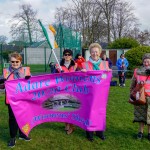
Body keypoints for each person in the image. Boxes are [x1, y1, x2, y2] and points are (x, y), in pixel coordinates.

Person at [0, 52, 31, 148]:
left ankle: (23, 134)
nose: (15, 63)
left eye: (17, 61)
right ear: (10, 62)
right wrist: (2, 82)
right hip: (11, 100)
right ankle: (12, 137)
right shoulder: (6, 72)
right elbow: (1, 87)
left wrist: (29, 80)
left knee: (24, 117)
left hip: (24, 99)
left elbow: (32, 84)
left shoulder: (26, 70)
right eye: (12, 61)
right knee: (13, 119)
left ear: (20, 61)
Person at [81, 43, 111, 142]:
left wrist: (108, 72)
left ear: (100, 52)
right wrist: (82, 72)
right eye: (93, 51)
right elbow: (80, 79)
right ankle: (89, 133)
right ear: (90, 52)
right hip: (89, 92)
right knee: (89, 112)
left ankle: (99, 131)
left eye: (96, 51)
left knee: (100, 112)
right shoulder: (84, 64)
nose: (95, 53)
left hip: (101, 93)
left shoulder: (105, 64)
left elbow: (106, 78)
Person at [55, 49, 77, 135]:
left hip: (73, 90)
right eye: (65, 54)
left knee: (71, 108)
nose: (67, 56)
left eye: (69, 54)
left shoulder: (75, 65)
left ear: (71, 56)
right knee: (64, 107)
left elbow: (80, 76)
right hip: (62, 89)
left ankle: (72, 126)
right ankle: (66, 123)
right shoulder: (58, 65)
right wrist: (56, 70)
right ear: (63, 56)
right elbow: (53, 78)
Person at [130, 53, 150, 140]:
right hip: (140, 96)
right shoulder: (137, 71)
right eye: (145, 61)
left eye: (148, 61)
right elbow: (132, 83)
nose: (146, 63)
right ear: (142, 62)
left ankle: (149, 133)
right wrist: (132, 92)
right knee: (141, 115)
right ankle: (140, 132)